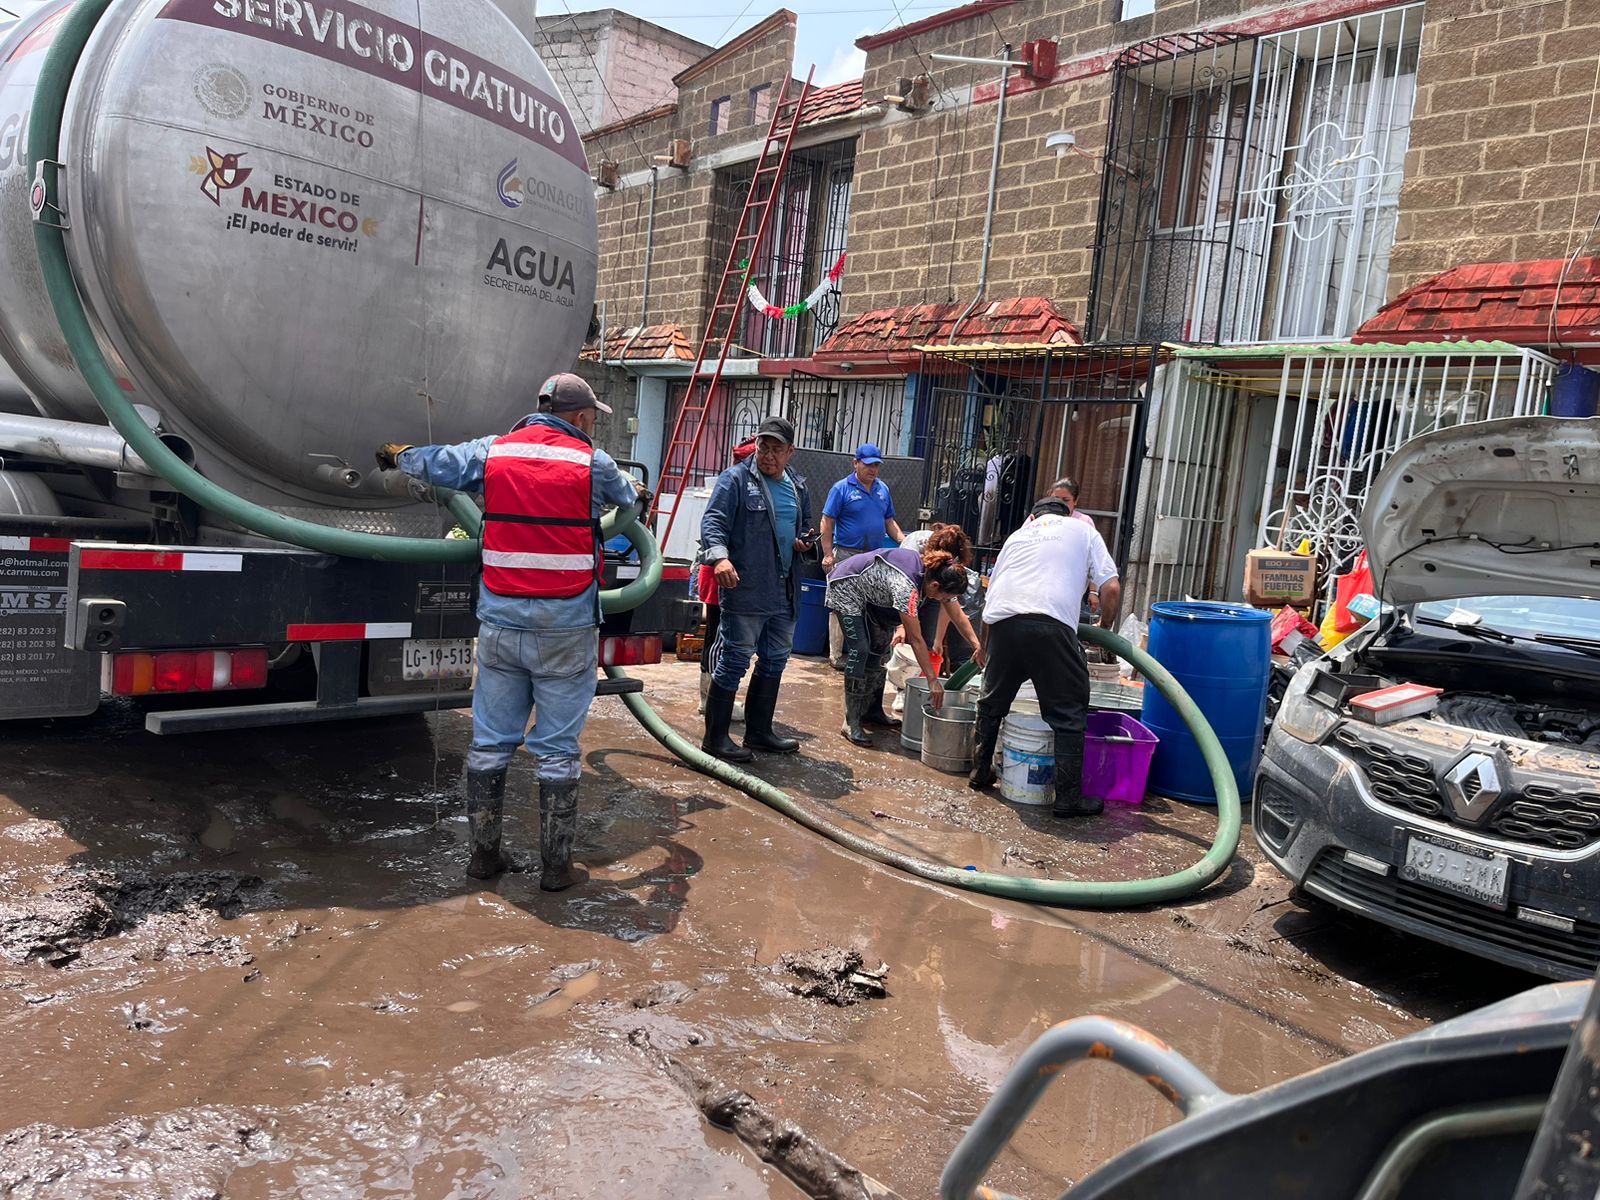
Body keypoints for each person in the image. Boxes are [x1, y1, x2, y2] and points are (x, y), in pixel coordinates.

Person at [378, 373, 643, 889]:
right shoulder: (593, 462)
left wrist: (400, 454)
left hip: (501, 624)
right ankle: (557, 868)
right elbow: (626, 500)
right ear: (583, 417)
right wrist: (637, 496)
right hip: (566, 628)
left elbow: (438, 463)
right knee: (559, 749)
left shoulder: (493, 451)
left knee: (491, 741)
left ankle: (483, 857)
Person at [970, 496, 1121, 818]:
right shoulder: (1083, 531)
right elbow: (1111, 589)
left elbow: (991, 595)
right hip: (1051, 626)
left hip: (1003, 626)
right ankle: (1068, 799)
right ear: (1069, 514)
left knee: (991, 704)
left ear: (1032, 516)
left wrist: (985, 646)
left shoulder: (1017, 536)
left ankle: (980, 773)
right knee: (1068, 713)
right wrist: (1106, 629)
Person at [699, 416, 815, 763]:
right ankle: (715, 738)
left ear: (790, 452)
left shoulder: (798, 486)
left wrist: (805, 542)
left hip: (785, 588)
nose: (768, 455)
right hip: (747, 587)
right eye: (764, 447)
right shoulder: (734, 480)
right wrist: (719, 558)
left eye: (777, 449)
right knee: (735, 658)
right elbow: (713, 522)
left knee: (776, 659)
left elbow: (806, 525)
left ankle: (759, 732)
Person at [825, 530, 980, 746]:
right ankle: (850, 721)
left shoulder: (937, 574)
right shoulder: (907, 587)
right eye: (944, 597)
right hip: (846, 586)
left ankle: (872, 711)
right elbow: (916, 639)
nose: (944, 601)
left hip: (872, 596)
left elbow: (957, 614)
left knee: (878, 649)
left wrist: (977, 646)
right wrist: (932, 680)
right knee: (860, 650)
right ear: (935, 587)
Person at [820, 444, 905, 669]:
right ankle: (836, 655)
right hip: (847, 555)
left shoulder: (882, 489)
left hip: (874, 557)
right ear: (855, 463)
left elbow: (889, 521)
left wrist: (903, 542)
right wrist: (828, 555)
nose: (872, 469)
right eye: (868, 465)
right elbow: (827, 522)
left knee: (874, 604)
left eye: (876, 465)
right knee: (841, 604)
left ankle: (870, 655)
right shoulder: (841, 489)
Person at [696, 436, 758, 723]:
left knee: (718, 636)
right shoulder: (736, 487)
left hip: (724, 575)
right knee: (717, 637)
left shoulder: (739, 486)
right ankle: (709, 698)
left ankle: (710, 697)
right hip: (720, 576)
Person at [901, 523, 983, 675]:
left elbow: (951, 605)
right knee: (909, 638)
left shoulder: (951, 563)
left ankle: (921, 681)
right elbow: (900, 595)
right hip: (904, 589)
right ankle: (904, 681)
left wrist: (977, 645)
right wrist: (900, 627)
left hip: (933, 586)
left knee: (927, 642)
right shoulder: (912, 550)